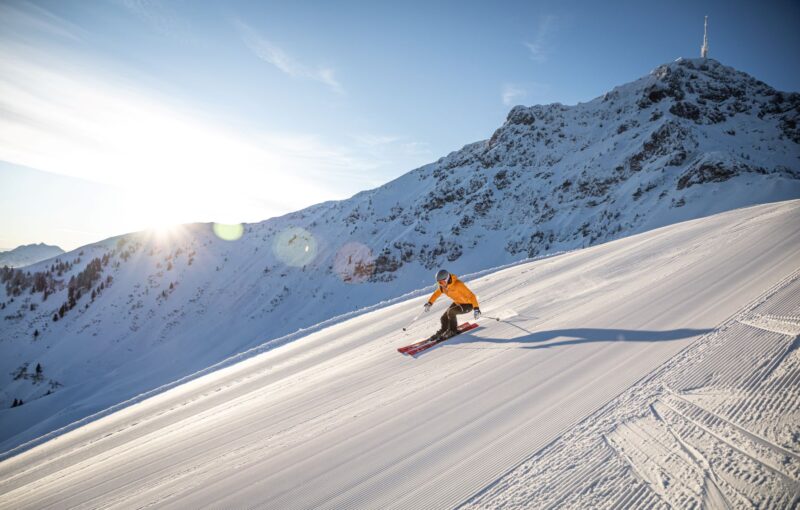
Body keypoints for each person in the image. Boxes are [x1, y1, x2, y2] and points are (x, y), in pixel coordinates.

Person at [423, 268, 481, 339]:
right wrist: (430, 303)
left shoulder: (458, 285)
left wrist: (476, 309)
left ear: (447, 279)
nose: (441, 284)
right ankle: (443, 330)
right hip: (458, 303)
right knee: (444, 318)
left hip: (468, 305)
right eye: (439, 283)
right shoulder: (443, 287)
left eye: (442, 282)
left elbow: (472, 296)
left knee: (451, 312)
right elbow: (436, 294)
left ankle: (453, 331)